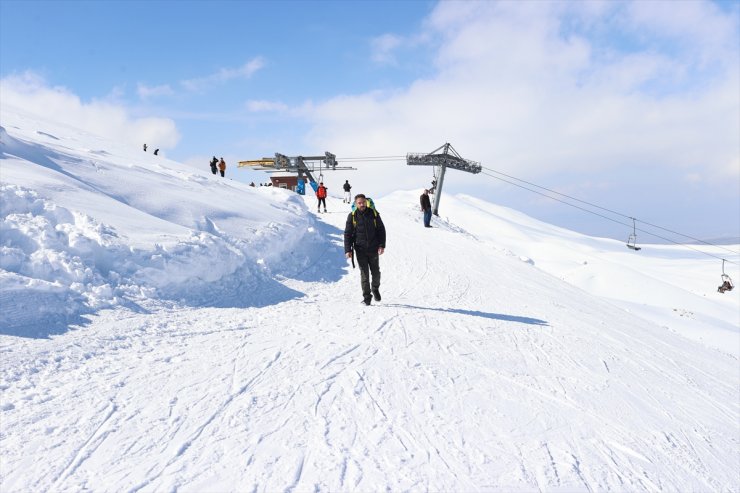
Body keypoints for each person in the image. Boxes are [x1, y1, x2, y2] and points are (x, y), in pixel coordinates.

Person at [344, 194, 386, 305]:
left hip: (373, 249)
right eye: (359, 203)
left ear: (366, 202)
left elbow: (381, 230)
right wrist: (348, 250)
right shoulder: (352, 216)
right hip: (360, 250)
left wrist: (382, 245)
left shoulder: (374, 214)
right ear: (356, 204)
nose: (362, 204)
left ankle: (375, 288)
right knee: (364, 275)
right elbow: (347, 234)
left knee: (376, 273)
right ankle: (367, 297)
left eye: (363, 202)